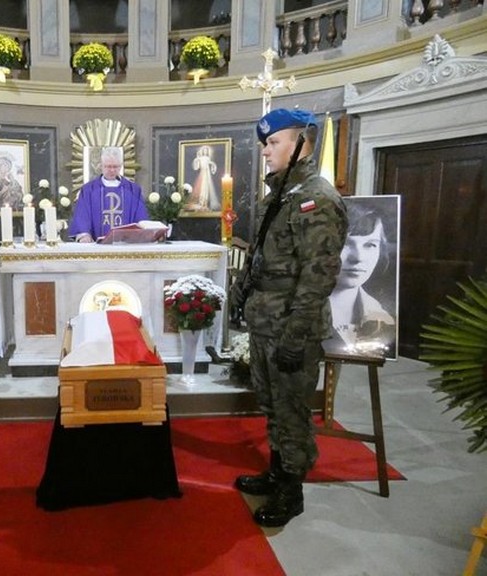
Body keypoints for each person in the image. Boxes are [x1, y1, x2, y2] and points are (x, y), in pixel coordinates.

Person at [230, 108, 348, 528]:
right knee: (273, 405)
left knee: (292, 409)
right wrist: (240, 292)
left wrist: (296, 335)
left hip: (291, 326)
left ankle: (291, 490)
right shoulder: (279, 196)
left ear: (301, 143)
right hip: (267, 321)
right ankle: (277, 472)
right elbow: (262, 255)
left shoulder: (317, 199)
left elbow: (318, 276)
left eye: (274, 142)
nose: (266, 151)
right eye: (265, 143)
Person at [325, 200, 396, 357]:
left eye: (370, 245)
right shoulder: (299, 312)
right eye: (345, 244)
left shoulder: (382, 319)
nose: (358, 258)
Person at [68, 146, 149, 242]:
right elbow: (82, 216)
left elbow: (141, 218)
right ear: (101, 166)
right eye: (108, 166)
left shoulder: (133, 190)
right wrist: (84, 235)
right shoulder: (88, 190)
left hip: (126, 246)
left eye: (115, 167)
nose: (112, 170)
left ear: (121, 166)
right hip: (96, 247)